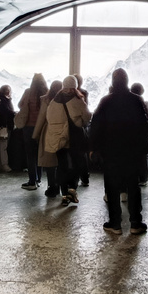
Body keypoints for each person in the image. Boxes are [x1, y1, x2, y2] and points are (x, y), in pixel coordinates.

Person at [90, 68, 148, 235]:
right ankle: (136, 223)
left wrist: (94, 148)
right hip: (132, 152)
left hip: (110, 152)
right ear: (127, 81)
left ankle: (115, 223)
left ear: (112, 82)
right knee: (133, 185)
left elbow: (95, 126)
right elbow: (147, 126)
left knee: (111, 186)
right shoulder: (137, 100)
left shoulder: (106, 101)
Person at [44, 76, 91, 206]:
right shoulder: (77, 100)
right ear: (74, 87)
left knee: (62, 165)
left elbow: (49, 119)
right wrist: (80, 122)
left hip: (58, 137)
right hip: (74, 136)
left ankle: (64, 194)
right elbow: (87, 116)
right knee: (76, 163)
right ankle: (72, 189)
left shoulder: (53, 102)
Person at [15, 73, 48, 190]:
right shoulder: (47, 93)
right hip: (42, 128)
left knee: (30, 155)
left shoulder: (28, 92)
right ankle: (39, 178)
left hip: (28, 127)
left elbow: (20, 105)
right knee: (40, 154)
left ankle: (32, 181)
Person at [34, 79, 63, 197]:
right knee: (61, 162)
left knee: (49, 163)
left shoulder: (46, 100)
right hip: (62, 131)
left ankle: (52, 186)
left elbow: (41, 117)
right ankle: (61, 186)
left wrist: (35, 134)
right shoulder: (65, 99)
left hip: (48, 131)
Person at [130, 82, 148, 187]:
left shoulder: (129, 103)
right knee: (143, 156)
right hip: (143, 133)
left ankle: (134, 176)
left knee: (133, 156)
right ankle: (143, 178)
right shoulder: (145, 103)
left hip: (133, 133)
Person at [0, 85, 15, 172]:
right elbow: (8, 113)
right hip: (4, 126)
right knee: (3, 147)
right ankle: (4, 164)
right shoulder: (5, 101)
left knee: (0, 146)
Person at [73, 73, 91, 186]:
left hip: (72, 126)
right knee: (82, 153)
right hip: (82, 125)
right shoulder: (84, 93)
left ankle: (75, 177)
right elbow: (86, 108)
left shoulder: (68, 94)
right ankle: (85, 176)